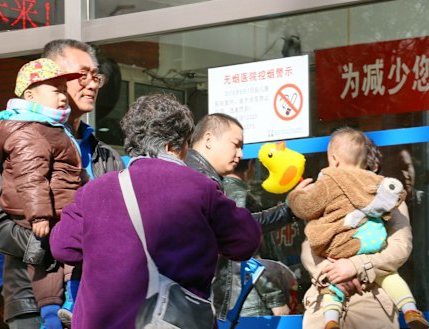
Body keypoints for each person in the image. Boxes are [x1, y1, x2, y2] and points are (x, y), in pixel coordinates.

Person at [49, 93, 262, 329]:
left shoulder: (94, 191)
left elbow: (62, 247)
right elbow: (246, 241)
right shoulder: (199, 187)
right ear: (176, 144)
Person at [0, 39, 124, 329]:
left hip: (97, 303)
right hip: (35, 303)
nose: (92, 84)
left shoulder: (105, 154)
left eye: (96, 76)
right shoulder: (20, 138)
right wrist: (54, 244)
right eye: (82, 75)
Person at [287, 127, 428, 329]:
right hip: (325, 301)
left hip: (371, 301)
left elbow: (400, 248)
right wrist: (329, 273)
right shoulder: (329, 192)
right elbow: (310, 245)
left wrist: (356, 266)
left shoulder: (387, 200)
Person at [0, 57, 87, 329]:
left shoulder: (70, 138)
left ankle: (70, 305)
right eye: (56, 89)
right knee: (57, 266)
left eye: (64, 88)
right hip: (28, 302)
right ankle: (56, 311)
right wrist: (42, 240)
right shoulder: (27, 134)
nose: (65, 95)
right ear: (30, 94)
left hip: (83, 305)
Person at [186, 113, 310, 321]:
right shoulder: (203, 182)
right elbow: (241, 230)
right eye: (235, 144)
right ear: (208, 140)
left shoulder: (197, 177)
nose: (240, 154)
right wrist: (288, 210)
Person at [214, 159, 291, 318]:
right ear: (250, 166)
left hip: (228, 301)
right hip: (251, 298)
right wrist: (276, 299)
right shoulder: (242, 199)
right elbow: (249, 258)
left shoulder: (215, 195)